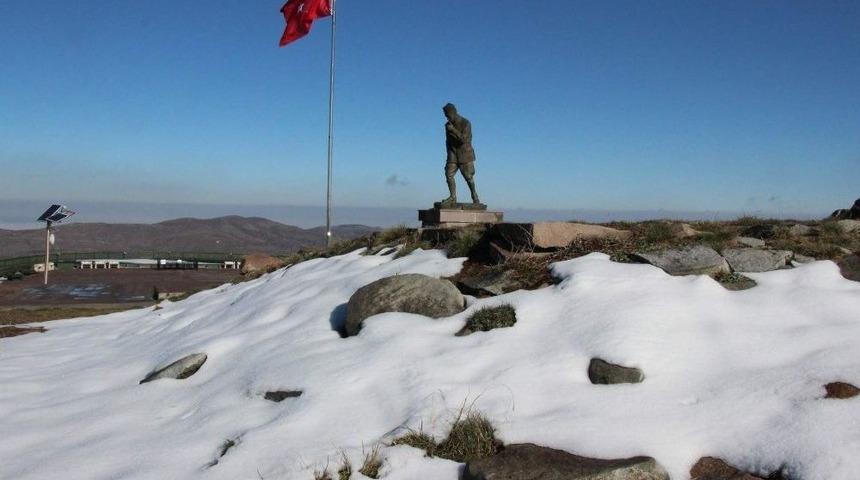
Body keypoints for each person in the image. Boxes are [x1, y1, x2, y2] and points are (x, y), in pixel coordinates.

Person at [440, 103, 480, 205]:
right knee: (448, 174)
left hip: (465, 154)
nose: (447, 118)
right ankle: (453, 197)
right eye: (446, 116)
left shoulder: (465, 123)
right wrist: (449, 154)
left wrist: (453, 130)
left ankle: (474, 196)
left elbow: (464, 139)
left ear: (453, 112)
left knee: (468, 177)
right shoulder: (447, 125)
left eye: (448, 115)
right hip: (453, 154)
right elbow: (448, 141)